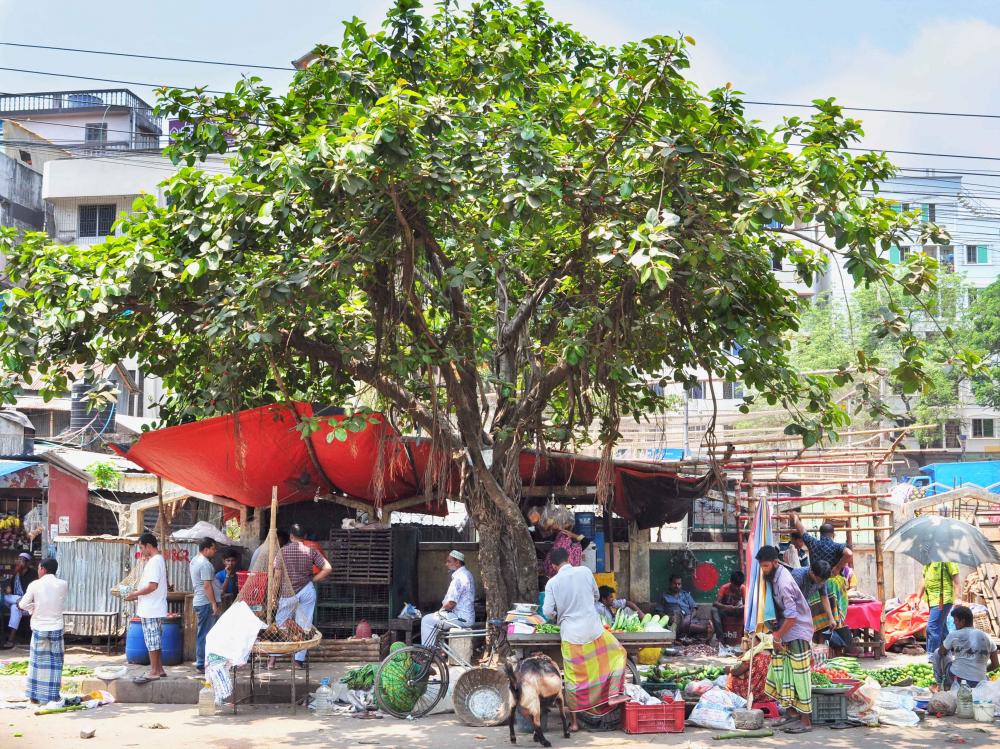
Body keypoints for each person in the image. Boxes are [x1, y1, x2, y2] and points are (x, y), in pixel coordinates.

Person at [543, 546, 626, 732]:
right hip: (594, 631)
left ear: (555, 566)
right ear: (569, 558)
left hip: (571, 636)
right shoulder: (585, 571)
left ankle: (574, 723)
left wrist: (560, 614)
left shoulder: (552, 583)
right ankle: (612, 693)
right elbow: (596, 596)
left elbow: (547, 612)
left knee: (573, 679)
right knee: (619, 653)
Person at [757, 545, 814, 734]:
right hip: (785, 630)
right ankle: (791, 713)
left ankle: (806, 721)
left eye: (765, 566)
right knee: (781, 672)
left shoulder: (784, 582)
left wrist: (777, 636)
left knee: (799, 676)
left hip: (796, 631)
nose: (763, 570)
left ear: (775, 563)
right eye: (761, 566)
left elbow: (792, 616)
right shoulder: (774, 576)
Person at [274, 524, 332, 668]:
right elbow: (328, 568)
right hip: (306, 590)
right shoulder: (311, 551)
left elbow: (277, 576)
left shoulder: (282, 552)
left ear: (291, 536)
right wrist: (314, 579)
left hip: (288, 592)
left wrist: (274, 595)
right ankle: (298, 661)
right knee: (304, 625)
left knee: (280, 623)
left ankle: (272, 660)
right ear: (304, 537)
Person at [18, 558, 68, 705]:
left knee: (37, 662)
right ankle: (53, 695)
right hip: (56, 628)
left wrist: (32, 607)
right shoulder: (63, 584)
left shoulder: (35, 584)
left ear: (43, 569)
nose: (38, 570)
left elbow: (22, 604)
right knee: (55, 663)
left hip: (40, 627)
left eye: (39, 568)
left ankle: (34, 695)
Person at [124, 532, 169, 683]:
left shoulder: (155, 562)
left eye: (142, 548)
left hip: (151, 608)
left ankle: (154, 670)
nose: (141, 551)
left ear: (149, 546)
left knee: (152, 640)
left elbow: (152, 586)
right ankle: (160, 669)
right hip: (153, 607)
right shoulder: (156, 560)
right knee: (155, 639)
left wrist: (134, 594)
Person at [934, 605, 998, 689]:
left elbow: (941, 652)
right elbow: (996, 664)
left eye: (955, 620)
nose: (954, 623)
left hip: (957, 678)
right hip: (979, 681)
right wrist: (978, 671)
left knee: (937, 652)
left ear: (962, 621)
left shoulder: (954, 634)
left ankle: (940, 684)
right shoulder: (987, 637)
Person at [421, 550, 476, 645]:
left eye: (449, 561)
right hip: (465, 616)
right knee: (435, 619)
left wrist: (440, 611)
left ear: (457, 562)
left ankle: (427, 653)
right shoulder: (467, 574)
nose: (446, 564)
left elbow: (451, 604)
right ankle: (437, 651)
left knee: (426, 620)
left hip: (460, 618)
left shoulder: (459, 578)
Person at [189, 537, 220, 673]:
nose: (215, 551)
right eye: (213, 548)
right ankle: (202, 663)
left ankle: (203, 661)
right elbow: (207, 586)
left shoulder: (194, 560)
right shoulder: (205, 564)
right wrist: (213, 603)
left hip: (199, 601)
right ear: (206, 549)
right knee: (206, 634)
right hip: (205, 603)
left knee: (203, 633)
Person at [917, 561, 960, 658]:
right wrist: (918, 597)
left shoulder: (948, 560)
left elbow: (956, 581)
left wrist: (957, 598)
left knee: (932, 627)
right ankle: (945, 654)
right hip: (931, 600)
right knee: (942, 628)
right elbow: (924, 580)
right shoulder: (928, 562)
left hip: (943, 600)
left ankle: (932, 656)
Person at [790, 560, 834, 641]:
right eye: (820, 580)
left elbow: (824, 596)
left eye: (823, 581)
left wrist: (831, 618)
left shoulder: (821, 578)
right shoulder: (797, 576)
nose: (822, 583)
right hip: (791, 607)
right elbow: (790, 601)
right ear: (812, 572)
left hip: (804, 605)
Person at [656, 574, 710, 640]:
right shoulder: (664, 596)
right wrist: (668, 618)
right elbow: (659, 611)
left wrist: (690, 617)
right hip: (674, 620)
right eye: (675, 584)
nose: (677, 586)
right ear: (670, 584)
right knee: (678, 621)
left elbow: (694, 608)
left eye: (679, 584)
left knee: (697, 622)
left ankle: (696, 630)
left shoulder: (686, 595)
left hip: (688, 619)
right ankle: (704, 629)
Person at [3, 552, 37, 648]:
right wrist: (8, 589)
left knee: (14, 608)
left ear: (27, 563)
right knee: (5, 597)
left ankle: (11, 639)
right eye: (18, 559)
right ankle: (19, 601)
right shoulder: (16, 573)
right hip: (18, 602)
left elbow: (33, 594)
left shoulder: (33, 574)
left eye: (21, 560)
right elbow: (10, 590)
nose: (18, 562)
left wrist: (22, 601)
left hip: (29, 605)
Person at [725, 635, 773, 702]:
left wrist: (730, 670)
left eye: (751, 638)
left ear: (760, 642)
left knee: (731, 678)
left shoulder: (755, 655)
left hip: (753, 691)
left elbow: (739, 671)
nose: (748, 640)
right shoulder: (772, 657)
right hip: (768, 691)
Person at [711, 571, 746, 642]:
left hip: (737, 611)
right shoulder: (724, 588)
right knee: (714, 610)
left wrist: (741, 607)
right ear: (730, 581)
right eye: (734, 585)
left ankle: (744, 635)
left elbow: (747, 604)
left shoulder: (743, 588)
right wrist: (727, 607)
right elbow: (715, 603)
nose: (736, 588)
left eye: (738, 586)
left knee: (748, 611)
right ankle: (720, 638)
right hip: (725, 611)